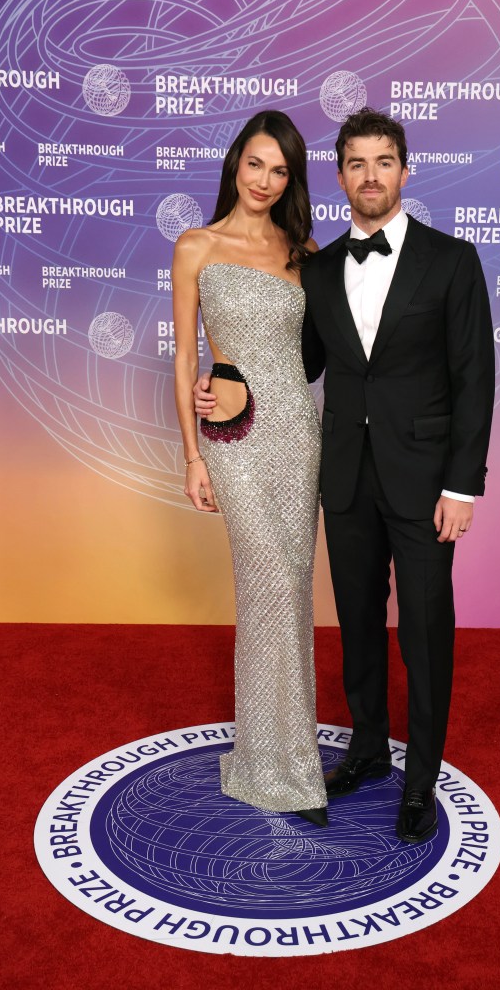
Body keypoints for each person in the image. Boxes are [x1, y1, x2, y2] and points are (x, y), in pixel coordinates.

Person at [196, 108, 495, 844]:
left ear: (404, 170)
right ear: (339, 177)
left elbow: (475, 380)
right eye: (356, 163)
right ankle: (366, 749)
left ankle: (420, 781)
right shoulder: (319, 267)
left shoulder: (452, 260)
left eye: (383, 161)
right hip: (343, 477)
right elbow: (293, 364)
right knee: (359, 624)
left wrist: (462, 486)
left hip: (424, 482)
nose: (370, 175)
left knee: (423, 631)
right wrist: (224, 380)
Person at [172, 110, 328, 827]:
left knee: (291, 590)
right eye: (256, 164)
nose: (264, 180)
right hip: (234, 441)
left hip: (297, 436)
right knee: (268, 582)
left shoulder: (304, 252)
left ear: (291, 180)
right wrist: (191, 455)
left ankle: (286, 758)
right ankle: (275, 768)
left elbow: (317, 358)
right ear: (236, 162)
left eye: (280, 171)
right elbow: (185, 358)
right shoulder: (196, 246)